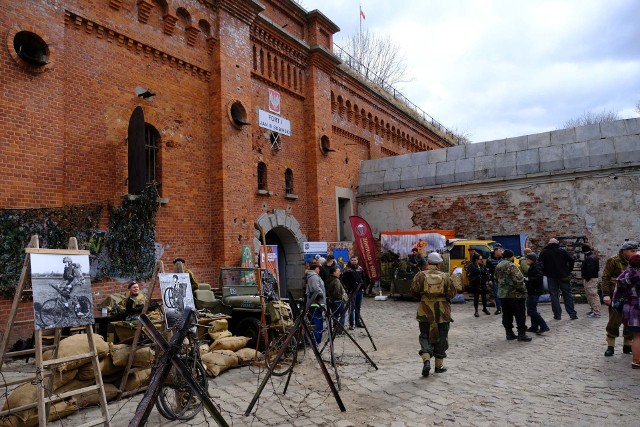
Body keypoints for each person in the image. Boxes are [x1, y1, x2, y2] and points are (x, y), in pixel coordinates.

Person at [411, 252, 457, 377]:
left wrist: (423, 298)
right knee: (442, 336)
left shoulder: (420, 275)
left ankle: (426, 360)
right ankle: (439, 365)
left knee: (425, 335)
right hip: (442, 312)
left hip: (425, 310)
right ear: (439, 263)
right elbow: (452, 293)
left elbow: (414, 291)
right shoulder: (445, 276)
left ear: (428, 262)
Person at [601, 241, 637, 356]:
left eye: (635, 250)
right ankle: (610, 345)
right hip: (615, 295)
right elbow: (605, 277)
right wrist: (606, 294)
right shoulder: (613, 260)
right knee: (614, 321)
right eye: (632, 250)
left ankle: (627, 345)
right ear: (624, 250)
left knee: (629, 321)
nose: (634, 252)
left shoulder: (636, 261)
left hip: (631, 297)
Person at [495, 249, 531, 342]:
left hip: (503, 295)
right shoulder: (511, 265)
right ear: (511, 257)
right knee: (520, 315)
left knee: (507, 314)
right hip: (515, 295)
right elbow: (518, 280)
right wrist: (523, 291)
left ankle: (509, 333)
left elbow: (496, 278)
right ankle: (521, 334)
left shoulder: (498, 265)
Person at [612, 254, 640, 369]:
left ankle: (636, 361)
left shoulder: (624, 276)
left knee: (637, 336)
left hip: (630, 310)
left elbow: (616, 295)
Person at [538, 238, 577, 320]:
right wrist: (568, 270)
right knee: (567, 295)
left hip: (551, 277)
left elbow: (539, 264)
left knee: (554, 296)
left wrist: (545, 272)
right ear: (557, 243)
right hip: (563, 276)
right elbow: (571, 261)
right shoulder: (562, 251)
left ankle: (557, 315)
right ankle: (572, 314)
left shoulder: (544, 252)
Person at [524, 252, 549, 334]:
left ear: (532, 260)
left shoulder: (536, 267)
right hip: (533, 290)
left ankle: (544, 326)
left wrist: (528, 279)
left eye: (527, 259)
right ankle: (534, 326)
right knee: (532, 308)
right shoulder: (533, 266)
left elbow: (538, 278)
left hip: (535, 290)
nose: (526, 260)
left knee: (531, 310)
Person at [342, 256, 368, 330]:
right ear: (350, 260)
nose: (353, 261)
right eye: (352, 260)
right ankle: (351, 324)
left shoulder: (360, 269)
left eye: (355, 260)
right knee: (352, 308)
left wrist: (363, 287)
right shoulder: (347, 269)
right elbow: (344, 280)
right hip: (352, 291)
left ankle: (358, 322)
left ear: (357, 260)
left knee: (358, 307)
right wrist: (349, 289)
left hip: (360, 291)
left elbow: (364, 278)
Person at [305, 261, 326, 344]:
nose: (319, 270)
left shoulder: (312, 276)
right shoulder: (314, 277)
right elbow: (316, 289)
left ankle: (314, 340)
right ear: (315, 268)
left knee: (314, 322)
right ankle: (316, 340)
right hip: (316, 303)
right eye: (318, 269)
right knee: (317, 322)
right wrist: (322, 294)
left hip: (315, 303)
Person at [581, 244, 601, 318]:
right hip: (591, 278)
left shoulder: (590, 258)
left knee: (592, 295)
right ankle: (593, 310)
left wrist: (586, 278)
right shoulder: (592, 257)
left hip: (591, 279)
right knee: (590, 295)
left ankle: (596, 311)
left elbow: (590, 270)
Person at [325, 266, 347, 330]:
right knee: (342, 315)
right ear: (334, 272)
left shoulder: (329, 279)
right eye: (338, 271)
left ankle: (335, 328)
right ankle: (340, 329)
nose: (340, 273)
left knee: (335, 315)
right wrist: (341, 296)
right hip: (338, 300)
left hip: (332, 300)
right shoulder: (336, 280)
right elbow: (337, 291)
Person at [485, 243, 504, 315]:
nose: (501, 251)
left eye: (501, 250)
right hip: (495, 279)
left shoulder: (503, 258)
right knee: (497, 294)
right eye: (500, 250)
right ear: (495, 251)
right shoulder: (489, 260)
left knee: (504, 294)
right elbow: (488, 271)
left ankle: (504, 307)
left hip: (503, 279)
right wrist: (489, 279)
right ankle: (499, 308)